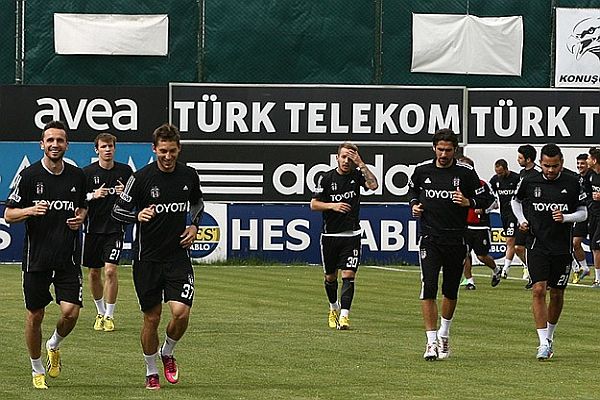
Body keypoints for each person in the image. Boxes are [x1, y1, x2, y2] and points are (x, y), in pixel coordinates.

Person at [112, 123, 203, 390]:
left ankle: (168, 351)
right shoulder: (140, 178)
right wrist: (137, 215)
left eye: (172, 151)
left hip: (177, 257)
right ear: (154, 149)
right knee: (152, 318)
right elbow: (118, 211)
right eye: (162, 151)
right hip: (147, 259)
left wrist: (194, 225)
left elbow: (198, 202)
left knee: (181, 312)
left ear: (179, 149)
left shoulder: (189, 175)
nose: (167, 156)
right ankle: (151, 370)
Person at [4, 121, 87, 389]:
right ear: (42, 144)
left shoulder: (77, 176)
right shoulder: (28, 176)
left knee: (71, 312)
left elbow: (83, 207)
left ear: (66, 145)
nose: (54, 144)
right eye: (49, 140)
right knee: (35, 315)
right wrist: (30, 210)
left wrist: (80, 219)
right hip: (36, 259)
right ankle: (36, 368)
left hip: (68, 258)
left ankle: (54, 344)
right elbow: (8, 214)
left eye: (59, 140)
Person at [409, 129, 493, 361]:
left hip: (456, 239)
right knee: (428, 287)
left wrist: (469, 202)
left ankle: (444, 333)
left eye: (448, 150)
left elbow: (487, 199)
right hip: (430, 238)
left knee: (450, 290)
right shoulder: (422, 170)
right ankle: (430, 341)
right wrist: (415, 204)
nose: (443, 154)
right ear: (433, 148)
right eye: (440, 149)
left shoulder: (465, 172)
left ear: (455, 150)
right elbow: (413, 190)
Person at [511, 143, 586, 360]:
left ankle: (550, 336)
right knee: (538, 290)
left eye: (554, 166)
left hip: (561, 246)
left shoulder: (573, 182)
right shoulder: (529, 179)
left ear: (561, 162)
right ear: (541, 163)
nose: (550, 170)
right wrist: (522, 220)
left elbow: (583, 213)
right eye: (546, 166)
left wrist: (566, 217)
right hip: (537, 243)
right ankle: (542, 341)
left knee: (557, 293)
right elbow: (515, 202)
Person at [310, 142, 378, 330]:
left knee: (349, 275)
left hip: (352, 235)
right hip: (330, 235)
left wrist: (362, 164)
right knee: (331, 277)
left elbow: (373, 186)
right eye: (343, 157)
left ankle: (345, 316)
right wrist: (333, 205)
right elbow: (314, 204)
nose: (346, 161)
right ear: (337, 158)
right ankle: (333, 308)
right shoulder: (326, 178)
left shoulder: (357, 175)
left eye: (350, 158)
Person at [82, 133, 133, 332]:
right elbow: (77, 199)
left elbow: (134, 198)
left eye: (111, 146)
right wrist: (92, 195)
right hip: (93, 229)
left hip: (115, 229)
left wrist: (125, 194)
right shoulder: (87, 173)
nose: (108, 149)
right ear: (97, 150)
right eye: (104, 146)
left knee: (110, 270)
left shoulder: (125, 171)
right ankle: (100, 312)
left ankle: (110, 315)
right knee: (94, 273)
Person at [457, 156, 502, 290]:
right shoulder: (455, 185)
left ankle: (496, 269)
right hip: (463, 225)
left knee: (481, 256)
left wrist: (483, 209)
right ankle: (469, 280)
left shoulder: (482, 184)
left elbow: (494, 203)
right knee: (463, 253)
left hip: (480, 225)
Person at [489, 159, 523, 279]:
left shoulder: (516, 178)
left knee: (510, 241)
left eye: (500, 172)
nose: (499, 175)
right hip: (503, 213)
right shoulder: (495, 180)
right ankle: (527, 266)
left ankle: (505, 269)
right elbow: (491, 194)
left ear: (506, 169)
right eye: (497, 172)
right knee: (512, 243)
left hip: (514, 213)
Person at [514, 145, 542, 288]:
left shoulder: (538, 173)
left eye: (520, 157)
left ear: (529, 159)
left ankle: (539, 276)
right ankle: (532, 271)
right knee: (518, 247)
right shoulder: (522, 173)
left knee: (537, 248)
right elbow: (517, 198)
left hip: (537, 217)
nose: (518, 160)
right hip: (524, 216)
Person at [572, 153, 592, 283]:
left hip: (595, 215)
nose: (580, 166)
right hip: (583, 214)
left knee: (596, 246)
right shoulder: (578, 178)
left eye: (582, 163)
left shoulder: (593, 177)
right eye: (578, 163)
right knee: (575, 243)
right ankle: (584, 268)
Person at [586, 147, 600, 288]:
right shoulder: (591, 175)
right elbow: (589, 193)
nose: (587, 161)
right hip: (594, 215)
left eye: (589, 158)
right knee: (594, 246)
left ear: (594, 160)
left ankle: (598, 279)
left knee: (596, 246)